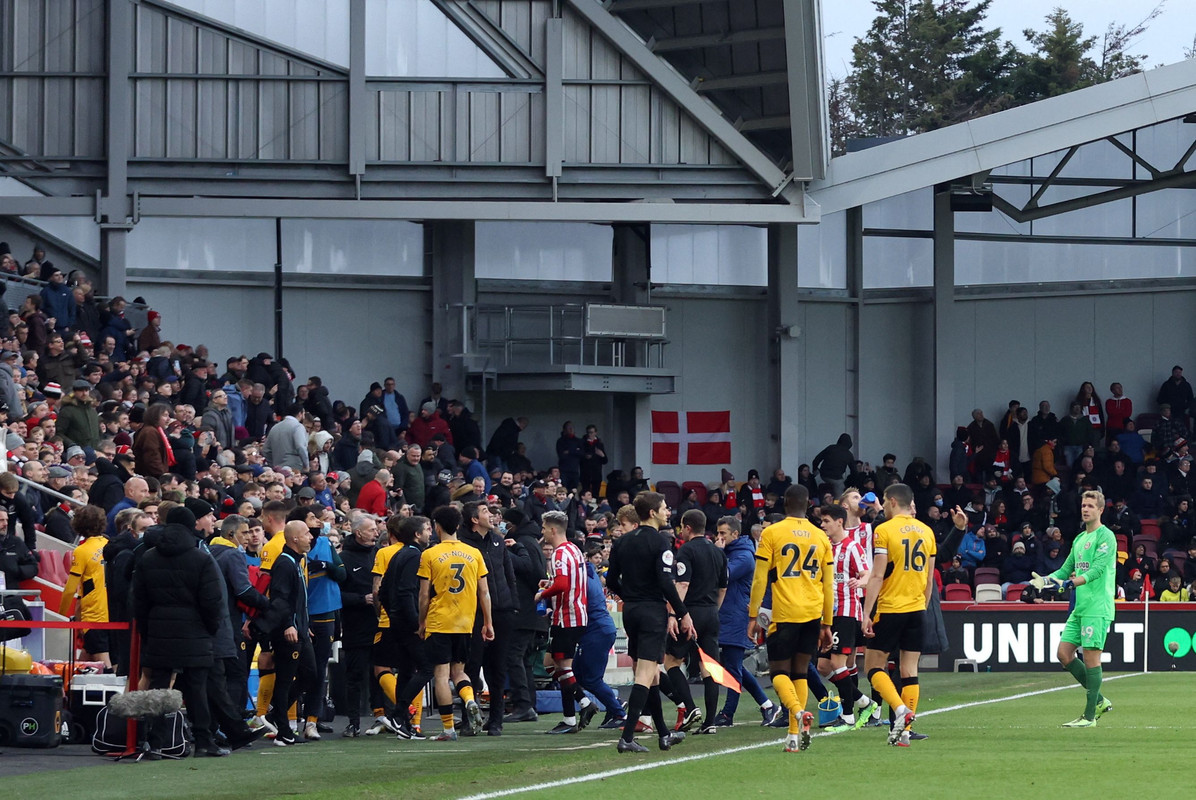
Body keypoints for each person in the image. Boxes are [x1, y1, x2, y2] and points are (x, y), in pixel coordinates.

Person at [131, 506, 228, 757]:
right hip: (195, 630)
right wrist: (210, 628)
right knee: (197, 689)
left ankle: (154, 742)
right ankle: (204, 741)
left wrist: (148, 629)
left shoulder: (149, 557)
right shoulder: (201, 558)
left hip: (160, 629)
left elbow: (139, 601)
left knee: (161, 688)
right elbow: (212, 601)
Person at [747, 484, 833, 753]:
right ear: (809, 506)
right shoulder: (821, 537)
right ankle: (794, 736)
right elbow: (828, 585)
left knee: (778, 673)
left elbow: (760, 577)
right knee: (800, 673)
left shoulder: (771, 533)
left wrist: (753, 614)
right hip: (812, 613)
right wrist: (827, 623)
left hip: (785, 613)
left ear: (784, 504)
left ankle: (796, 712)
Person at [606, 491, 692, 754]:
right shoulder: (661, 543)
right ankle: (628, 736)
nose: (668, 512)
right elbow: (666, 582)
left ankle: (664, 734)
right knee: (644, 674)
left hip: (631, 611)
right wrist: (682, 613)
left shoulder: (623, 542)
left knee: (653, 675)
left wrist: (630, 596)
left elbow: (610, 581)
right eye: (665, 508)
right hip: (652, 611)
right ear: (653, 513)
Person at [1031, 490, 1116, 727]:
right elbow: (1064, 570)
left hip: (1097, 607)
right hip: (1080, 607)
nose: (1085, 509)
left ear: (1100, 510)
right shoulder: (1079, 540)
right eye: (1083, 505)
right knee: (1064, 654)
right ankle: (1098, 700)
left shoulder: (1106, 537)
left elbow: (1097, 569)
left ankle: (1090, 717)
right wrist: (1044, 581)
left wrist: (1071, 583)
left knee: (1091, 658)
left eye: (1090, 505)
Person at [861, 483, 936, 748]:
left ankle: (900, 709)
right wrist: (922, 608)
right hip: (917, 609)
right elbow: (929, 581)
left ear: (892, 501)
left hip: (891, 608)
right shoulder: (927, 532)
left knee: (872, 666)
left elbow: (878, 575)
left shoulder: (883, 531)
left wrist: (866, 612)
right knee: (910, 671)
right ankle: (905, 731)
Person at [417, 505, 494, 741]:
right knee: (459, 672)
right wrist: (488, 622)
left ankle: (449, 729)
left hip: (440, 621)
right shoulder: (474, 553)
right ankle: (470, 699)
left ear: (437, 527)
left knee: (441, 675)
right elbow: (484, 592)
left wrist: (422, 622)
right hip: (465, 622)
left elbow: (423, 595)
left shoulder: (430, 554)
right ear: (459, 526)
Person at [662, 508, 726, 735]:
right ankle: (710, 723)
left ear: (687, 527)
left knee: (671, 660)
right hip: (711, 612)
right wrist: (714, 610)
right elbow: (723, 587)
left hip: (690, 612)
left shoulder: (686, 551)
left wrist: (673, 614)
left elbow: (682, 585)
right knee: (709, 667)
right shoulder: (718, 552)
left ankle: (690, 707)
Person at [711, 516, 780, 727]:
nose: (719, 537)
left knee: (732, 667)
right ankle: (767, 705)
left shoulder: (744, 556)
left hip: (737, 615)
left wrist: (717, 552)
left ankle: (728, 714)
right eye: (718, 533)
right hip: (728, 614)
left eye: (723, 533)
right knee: (734, 666)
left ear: (735, 534)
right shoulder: (734, 553)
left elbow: (723, 575)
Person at [254, 520, 318, 746]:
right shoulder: (284, 563)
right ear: (295, 539)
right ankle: (283, 730)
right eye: (307, 533)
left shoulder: (296, 562)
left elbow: (296, 600)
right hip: (288, 631)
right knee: (284, 679)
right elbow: (280, 599)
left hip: (300, 629)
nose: (311, 537)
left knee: (310, 675)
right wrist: (288, 624)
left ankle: (274, 713)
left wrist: (303, 624)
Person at [534, 510, 596, 734]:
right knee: (552, 664)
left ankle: (583, 706)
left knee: (560, 666)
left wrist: (543, 594)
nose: (542, 533)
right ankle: (571, 717)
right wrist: (548, 582)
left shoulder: (560, 553)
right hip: (576, 615)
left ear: (552, 529)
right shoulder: (575, 550)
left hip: (567, 618)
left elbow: (562, 584)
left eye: (543, 528)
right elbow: (566, 581)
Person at [816, 503, 876, 730]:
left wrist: (859, 582)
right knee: (822, 665)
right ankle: (863, 701)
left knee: (837, 662)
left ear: (839, 521)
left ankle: (848, 716)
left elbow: (867, 574)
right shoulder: (825, 547)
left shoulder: (853, 547)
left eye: (826, 521)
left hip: (847, 610)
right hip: (827, 613)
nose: (823, 526)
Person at [381, 515, 435, 740]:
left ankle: (402, 722)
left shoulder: (398, 554)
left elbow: (383, 590)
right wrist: (417, 622)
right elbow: (406, 591)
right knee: (426, 669)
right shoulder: (414, 556)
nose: (430, 533)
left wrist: (392, 612)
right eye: (427, 529)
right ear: (417, 534)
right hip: (408, 622)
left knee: (405, 670)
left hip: (397, 620)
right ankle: (398, 713)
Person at [575, 540, 626, 730]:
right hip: (600, 628)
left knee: (590, 678)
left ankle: (620, 712)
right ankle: (616, 705)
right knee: (578, 674)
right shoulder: (589, 573)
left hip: (595, 630)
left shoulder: (582, 578)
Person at [338, 514, 381, 738]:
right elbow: (336, 593)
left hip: (380, 624)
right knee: (355, 675)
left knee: (381, 672)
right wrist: (359, 599)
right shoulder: (344, 558)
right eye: (372, 529)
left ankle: (382, 717)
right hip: (356, 624)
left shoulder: (379, 554)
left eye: (376, 528)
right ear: (358, 533)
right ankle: (353, 722)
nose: (376, 532)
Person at [59, 505, 111, 668]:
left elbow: (70, 589)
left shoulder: (82, 551)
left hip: (94, 612)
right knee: (85, 658)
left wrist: (61, 615)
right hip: (109, 608)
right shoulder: (109, 543)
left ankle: (114, 692)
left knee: (102, 659)